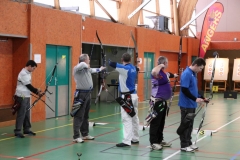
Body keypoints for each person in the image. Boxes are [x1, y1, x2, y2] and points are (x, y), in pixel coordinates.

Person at [72, 54, 105, 143]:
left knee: (85, 115)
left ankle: (85, 134)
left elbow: (92, 70)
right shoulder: (77, 68)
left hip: (88, 94)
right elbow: (82, 65)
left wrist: (100, 69)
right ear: (85, 60)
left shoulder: (86, 68)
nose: (89, 61)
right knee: (79, 115)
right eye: (88, 59)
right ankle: (76, 136)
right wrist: (86, 64)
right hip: (81, 94)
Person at [109, 52, 139, 147]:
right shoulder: (133, 67)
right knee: (134, 117)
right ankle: (135, 138)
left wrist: (107, 60)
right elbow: (138, 68)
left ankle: (126, 141)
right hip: (134, 95)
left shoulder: (124, 68)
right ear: (130, 59)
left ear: (122, 59)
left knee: (126, 118)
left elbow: (111, 64)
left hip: (127, 97)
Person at [149, 56, 178, 150]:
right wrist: (160, 65)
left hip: (163, 101)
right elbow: (153, 71)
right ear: (164, 63)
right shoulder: (156, 73)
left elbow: (168, 75)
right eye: (167, 63)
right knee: (155, 122)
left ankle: (160, 139)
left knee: (161, 122)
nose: (167, 64)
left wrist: (174, 75)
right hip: (157, 102)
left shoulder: (163, 73)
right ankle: (153, 142)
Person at [178, 57, 206, 152]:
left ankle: (189, 143)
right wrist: (195, 99)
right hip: (186, 104)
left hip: (192, 104)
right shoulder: (186, 74)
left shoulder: (194, 74)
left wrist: (202, 98)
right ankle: (184, 145)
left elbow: (193, 89)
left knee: (190, 125)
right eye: (200, 68)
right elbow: (184, 89)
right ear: (196, 65)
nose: (200, 70)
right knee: (185, 124)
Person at [14, 60, 42, 138]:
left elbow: (29, 86)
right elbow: (28, 86)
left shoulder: (28, 73)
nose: (33, 70)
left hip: (26, 95)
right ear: (29, 66)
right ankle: (18, 131)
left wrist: (37, 91)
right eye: (33, 68)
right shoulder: (23, 73)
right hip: (21, 96)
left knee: (27, 113)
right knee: (21, 113)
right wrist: (37, 91)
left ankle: (26, 129)